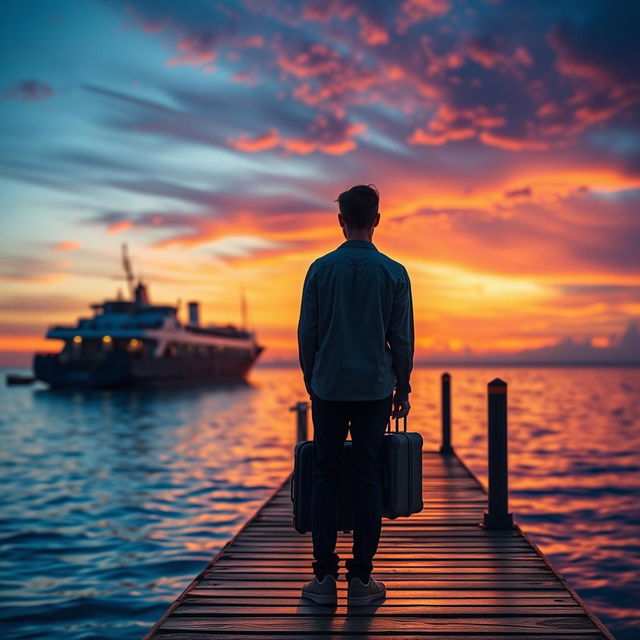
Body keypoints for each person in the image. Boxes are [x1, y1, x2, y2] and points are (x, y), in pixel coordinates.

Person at [297, 184, 414, 606]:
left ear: (341, 221)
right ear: (377, 220)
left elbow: (307, 333)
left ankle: (324, 580)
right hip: (374, 389)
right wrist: (403, 384)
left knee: (324, 475)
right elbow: (400, 339)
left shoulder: (320, 269)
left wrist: (313, 379)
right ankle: (361, 581)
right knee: (367, 476)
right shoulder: (394, 273)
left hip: (328, 386)